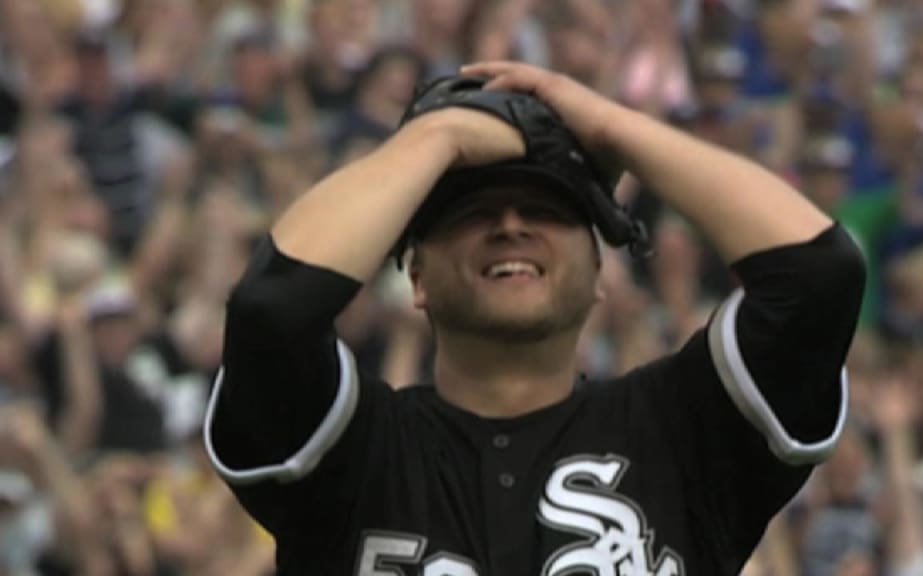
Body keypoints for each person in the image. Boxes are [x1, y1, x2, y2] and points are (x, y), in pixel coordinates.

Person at [203, 61, 865, 575]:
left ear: (601, 276)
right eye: (471, 214)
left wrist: (608, 126)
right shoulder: (354, 449)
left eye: (549, 211)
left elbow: (820, 274)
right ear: (417, 277)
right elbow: (272, 309)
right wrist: (438, 136)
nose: (511, 227)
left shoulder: (683, 431)